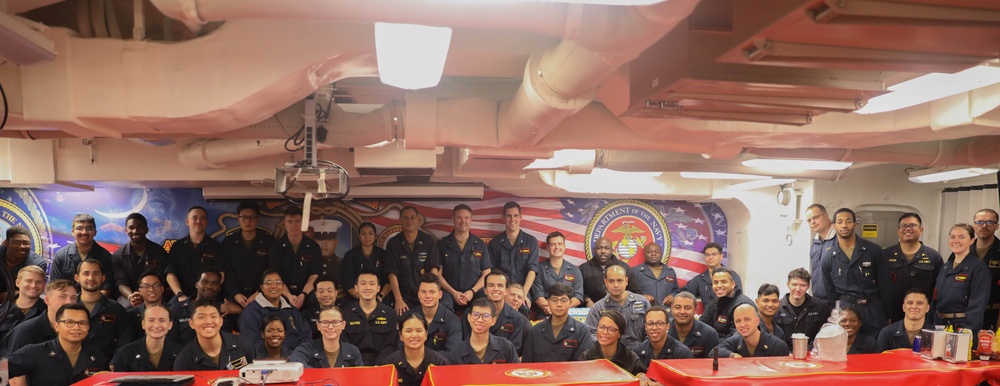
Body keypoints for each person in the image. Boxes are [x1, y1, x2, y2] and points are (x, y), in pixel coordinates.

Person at [821, 208, 890, 338]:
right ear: (834, 225)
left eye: (848, 221)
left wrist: (888, 314)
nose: (844, 225)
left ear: (855, 224)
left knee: (875, 350)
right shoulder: (829, 256)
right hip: (845, 311)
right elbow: (830, 292)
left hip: (872, 310)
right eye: (840, 222)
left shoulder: (873, 251)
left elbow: (885, 286)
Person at [6, 303, 108, 386]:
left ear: (88, 328)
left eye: (82, 323)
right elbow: (3, 369)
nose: (76, 327)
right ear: (56, 326)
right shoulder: (35, 352)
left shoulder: (98, 358)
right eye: (69, 322)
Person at [883, 213, 943, 323]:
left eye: (912, 225)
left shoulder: (933, 256)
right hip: (892, 316)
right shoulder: (885, 255)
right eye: (903, 226)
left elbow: (938, 290)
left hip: (922, 316)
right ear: (898, 230)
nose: (907, 229)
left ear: (921, 229)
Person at [238, 270, 312, 353]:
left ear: (283, 286)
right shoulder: (251, 313)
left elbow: (306, 336)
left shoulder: (292, 310)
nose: (273, 286)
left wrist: (299, 355)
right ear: (262, 287)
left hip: (298, 360)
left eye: (277, 282)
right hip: (267, 362)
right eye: (268, 282)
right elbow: (253, 345)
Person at [173, 299, 258, 370]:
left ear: (221, 321)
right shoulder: (184, 359)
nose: (208, 322)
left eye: (213, 316)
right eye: (201, 317)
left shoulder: (243, 344)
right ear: (191, 323)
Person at [385, 206, 440, 315]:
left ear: (418, 220)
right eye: (405, 218)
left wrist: (430, 295)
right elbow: (392, 273)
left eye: (412, 217)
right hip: (403, 296)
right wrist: (398, 300)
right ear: (400, 220)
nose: (409, 221)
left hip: (424, 295)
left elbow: (433, 270)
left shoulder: (429, 241)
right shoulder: (393, 243)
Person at [74, 258, 132, 360]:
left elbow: (124, 342)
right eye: (86, 273)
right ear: (77, 278)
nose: (91, 278)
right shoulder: (68, 308)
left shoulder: (117, 310)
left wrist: (114, 363)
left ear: (103, 278)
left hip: (105, 369)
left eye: (96, 274)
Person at [935, 223, 989, 333]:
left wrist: (967, 329)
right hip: (939, 325)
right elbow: (935, 298)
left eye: (962, 237)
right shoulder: (946, 266)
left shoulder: (978, 268)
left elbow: (977, 304)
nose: (956, 241)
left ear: (972, 240)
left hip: (961, 326)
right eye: (952, 237)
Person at [436, 204, 491, 311]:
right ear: (453, 219)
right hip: (450, 292)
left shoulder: (480, 245)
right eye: (459, 217)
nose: (463, 221)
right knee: (442, 308)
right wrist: (453, 292)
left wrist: (472, 291)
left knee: (485, 305)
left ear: (471, 220)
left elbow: (486, 273)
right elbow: (438, 275)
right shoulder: (442, 245)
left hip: (474, 292)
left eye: (466, 218)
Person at [166, 206, 226, 304]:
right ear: (187, 222)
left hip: (208, 298)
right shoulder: (177, 247)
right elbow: (170, 274)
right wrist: (180, 295)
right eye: (194, 218)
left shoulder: (216, 247)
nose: (198, 221)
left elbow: (221, 275)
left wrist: (205, 296)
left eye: (202, 218)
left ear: (207, 222)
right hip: (182, 297)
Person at [461, 270, 529, 354]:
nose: (496, 289)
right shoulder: (471, 313)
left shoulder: (517, 318)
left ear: (506, 291)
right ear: (485, 290)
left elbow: (513, 350)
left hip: (503, 364)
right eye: (491, 285)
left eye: (500, 285)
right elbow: (466, 344)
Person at [222, 201, 275, 310]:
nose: (248, 221)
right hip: (234, 297)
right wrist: (235, 293)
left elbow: (272, 271)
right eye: (244, 217)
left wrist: (259, 292)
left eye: (252, 217)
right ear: (238, 218)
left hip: (262, 295)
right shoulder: (229, 242)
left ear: (257, 218)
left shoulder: (269, 242)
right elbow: (226, 270)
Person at [523, 283, 594, 363]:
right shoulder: (536, 331)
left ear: (570, 303)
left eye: (563, 300)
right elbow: (527, 363)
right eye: (554, 300)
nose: (559, 304)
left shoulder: (582, 331)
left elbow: (583, 365)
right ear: (548, 302)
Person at [5, 279, 78, 355]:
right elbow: (11, 364)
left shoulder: (78, 330)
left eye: (73, 298)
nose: (69, 302)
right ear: (47, 300)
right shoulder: (25, 331)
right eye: (62, 297)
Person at [269, 206, 323, 310]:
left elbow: (314, 275)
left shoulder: (313, 247)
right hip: (283, 293)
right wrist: (289, 296)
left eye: (297, 221)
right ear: (285, 223)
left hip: (306, 294)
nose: (294, 225)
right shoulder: (276, 248)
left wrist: (303, 295)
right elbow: (275, 277)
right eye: (290, 221)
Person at [112, 213, 169, 308]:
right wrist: (131, 297)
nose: (135, 231)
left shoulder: (159, 253)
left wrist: (145, 295)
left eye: (140, 227)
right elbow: (121, 283)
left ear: (146, 230)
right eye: (131, 228)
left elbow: (160, 283)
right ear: (126, 230)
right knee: (125, 308)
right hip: (128, 295)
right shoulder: (118, 255)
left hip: (154, 292)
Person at [342, 269, 399, 365]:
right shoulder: (345, 314)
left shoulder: (391, 314)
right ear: (356, 288)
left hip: (382, 365)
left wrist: (378, 365)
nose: (367, 287)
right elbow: (345, 345)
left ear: (378, 288)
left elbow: (390, 344)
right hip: (353, 366)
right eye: (363, 283)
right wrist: (357, 365)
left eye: (372, 283)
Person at [488, 201, 538, 309]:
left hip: (523, 288)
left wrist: (523, 294)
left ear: (521, 217)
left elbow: (532, 271)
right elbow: (493, 273)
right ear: (503, 218)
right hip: (502, 290)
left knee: (524, 308)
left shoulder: (531, 241)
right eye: (509, 216)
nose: (512, 219)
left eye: (515, 216)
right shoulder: (495, 243)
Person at [50, 214, 115, 297]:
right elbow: (54, 286)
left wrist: (91, 303)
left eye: (88, 228)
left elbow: (107, 288)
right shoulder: (60, 256)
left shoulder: (106, 257)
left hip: (95, 304)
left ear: (95, 232)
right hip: (66, 303)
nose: (84, 232)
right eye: (79, 228)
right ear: (73, 232)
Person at [169, 268, 237, 346]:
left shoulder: (226, 309)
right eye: (205, 282)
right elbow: (170, 343)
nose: (209, 286)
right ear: (197, 284)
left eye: (214, 283)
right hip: (186, 356)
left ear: (219, 288)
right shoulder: (177, 310)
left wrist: (240, 310)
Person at [585, 265, 650, 348]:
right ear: (606, 282)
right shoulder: (598, 308)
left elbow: (650, 331)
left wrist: (643, 349)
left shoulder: (643, 303)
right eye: (611, 281)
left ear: (626, 281)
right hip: (609, 355)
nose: (615, 285)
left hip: (640, 354)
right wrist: (607, 347)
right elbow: (590, 334)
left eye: (619, 281)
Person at [380, 313, 451, 386]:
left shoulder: (440, 362)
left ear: (426, 334)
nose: (414, 335)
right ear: (400, 335)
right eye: (409, 331)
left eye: (419, 331)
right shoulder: (389, 363)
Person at [448, 298, 519, 365]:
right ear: (469, 318)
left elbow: (517, 373)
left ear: (493, 321)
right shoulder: (456, 352)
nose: (480, 320)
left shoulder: (506, 346)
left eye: (485, 316)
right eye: (476, 315)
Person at [288, 305, 364, 368]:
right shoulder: (306, 348)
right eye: (325, 322)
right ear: (318, 325)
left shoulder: (353, 351)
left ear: (343, 325)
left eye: (335, 322)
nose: (330, 327)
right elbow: (295, 363)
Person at [111, 304, 181, 371]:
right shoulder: (125, 354)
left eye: (162, 320)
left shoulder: (181, 353)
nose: (156, 325)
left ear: (170, 325)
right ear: (143, 324)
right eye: (151, 320)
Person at [775, 268, 832, 349]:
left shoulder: (820, 307)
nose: (798, 289)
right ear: (788, 284)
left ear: (808, 286)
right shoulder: (778, 308)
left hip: (812, 355)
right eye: (794, 285)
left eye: (802, 285)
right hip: (784, 354)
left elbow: (826, 334)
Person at [579, 310, 645, 375]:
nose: (604, 332)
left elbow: (641, 377)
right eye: (601, 327)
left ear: (619, 334)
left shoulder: (631, 359)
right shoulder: (586, 357)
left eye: (611, 329)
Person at [532, 231, 584, 314]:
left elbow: (578, 296)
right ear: (547, 248)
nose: (557, 247)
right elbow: (538, 295)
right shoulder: (538, 269)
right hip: (545, 312)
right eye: (553, 244)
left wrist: (563, 308)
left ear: (564, 247)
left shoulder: (575, 270)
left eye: (560, 244)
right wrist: (551, 309)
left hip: (568, 313)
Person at [580, 237, 641, 307]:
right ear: (594, 250)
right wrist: (587, 300)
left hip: (621, 310)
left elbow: (636, 292)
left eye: (607, 248)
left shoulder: (624, 267)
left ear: (612, 250)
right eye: (599, 248)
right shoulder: (584, 269)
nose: (603, 251)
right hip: (593, 310)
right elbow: (578, 292)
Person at [0, 266, 47, 354]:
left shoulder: (48, 313)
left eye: (39, 282)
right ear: (17, 283)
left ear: (44, 286)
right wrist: (3, 367)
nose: (33, 285)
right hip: (4, 364)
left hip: (33, 365)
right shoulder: (2, 311)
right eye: (29, 281)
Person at [410, 273, 462, 353]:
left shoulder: (452, 320)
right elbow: (402, 350)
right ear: (418, 294)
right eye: (423, 292)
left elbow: (453, 354)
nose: (427, 296)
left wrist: (426, 358)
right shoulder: (408, 318)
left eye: (432, 292)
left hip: (442, 364)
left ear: (440, 294)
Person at [340, 222, 390, 304]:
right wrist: (363, 298)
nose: (367, 237)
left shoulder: (384, 255)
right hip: (356, 301)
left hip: (380, 300)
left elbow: (389, 280)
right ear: (359, 236)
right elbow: (347, 282)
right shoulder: (350, 255)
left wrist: (380, 296)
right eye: (363, 234)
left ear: (375, 236)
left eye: (371, 233)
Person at [681, 243, 743, 307]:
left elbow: (739, 300)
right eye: (707, 255)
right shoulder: (699, 280)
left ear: (721, 256)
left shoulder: (732, 276)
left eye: (714, 254)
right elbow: (683, 295)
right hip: (709, 316)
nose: (710, 257)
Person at [699, 267, 755, 338]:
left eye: (724, 282)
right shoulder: (714, 302)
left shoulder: (743, 305)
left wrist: (712, 345)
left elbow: (736, 338)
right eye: (715, 282)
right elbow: (700, 326)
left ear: (733, 284)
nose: (719, 286)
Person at [717, 304, 789, 358]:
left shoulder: (777, 346)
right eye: (738, 321)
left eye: (747, 319)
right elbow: (715, 351)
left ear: (757, 321)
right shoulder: (736, 340)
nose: (742, 325)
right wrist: (732, 355)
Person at [0, 226, 48, 298]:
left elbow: (27, 292)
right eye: (16, 243)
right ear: (6, 243)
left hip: (16, 304)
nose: (22, 246)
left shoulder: (36, 264)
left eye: (26, 243)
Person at [668, 291, 719, 358]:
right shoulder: (662, 331)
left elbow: (712, 364)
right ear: (671, 309)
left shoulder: (709, 334)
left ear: (695, 310)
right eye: (678, 307)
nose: (682, 312)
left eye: (688, 308)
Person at [973, 209, 1000, 330]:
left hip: (993, 314)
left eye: (989, 222)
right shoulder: (963, 251)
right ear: (974, 225)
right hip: (966, 314)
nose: (984, 226)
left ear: (997, 226)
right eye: (979, 222)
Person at [805, 204, 836, 301]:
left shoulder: (840, 240)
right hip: (818, 300)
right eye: (809, 220)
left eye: (815, 217)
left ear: (826, 215)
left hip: (837, 301)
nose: (813, 222)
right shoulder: (815, 244)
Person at [634, 242, 678, 307]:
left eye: (656, 252)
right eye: (649, 252)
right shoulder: (635, 272)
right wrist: (642, 297)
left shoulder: (670, 271)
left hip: (666, 313)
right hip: (645, 312)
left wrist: (672, 296)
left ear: (661, 254)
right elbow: (628, 293)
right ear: (644, 255)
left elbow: (676, 290)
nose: (653, 254)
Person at [126, 272, 167, 339]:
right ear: (140, 291)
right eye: (146, 286)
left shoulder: (172, 311)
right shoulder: (131, 315)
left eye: (156, 285)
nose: (151, 289)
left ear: (162, 289)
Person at [310, 218, 344, 288]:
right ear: (314, 242)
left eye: (329, 240)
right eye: (320, 240)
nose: (324, 244)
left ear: (335, 242)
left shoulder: (343, 264)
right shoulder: (309, 264)